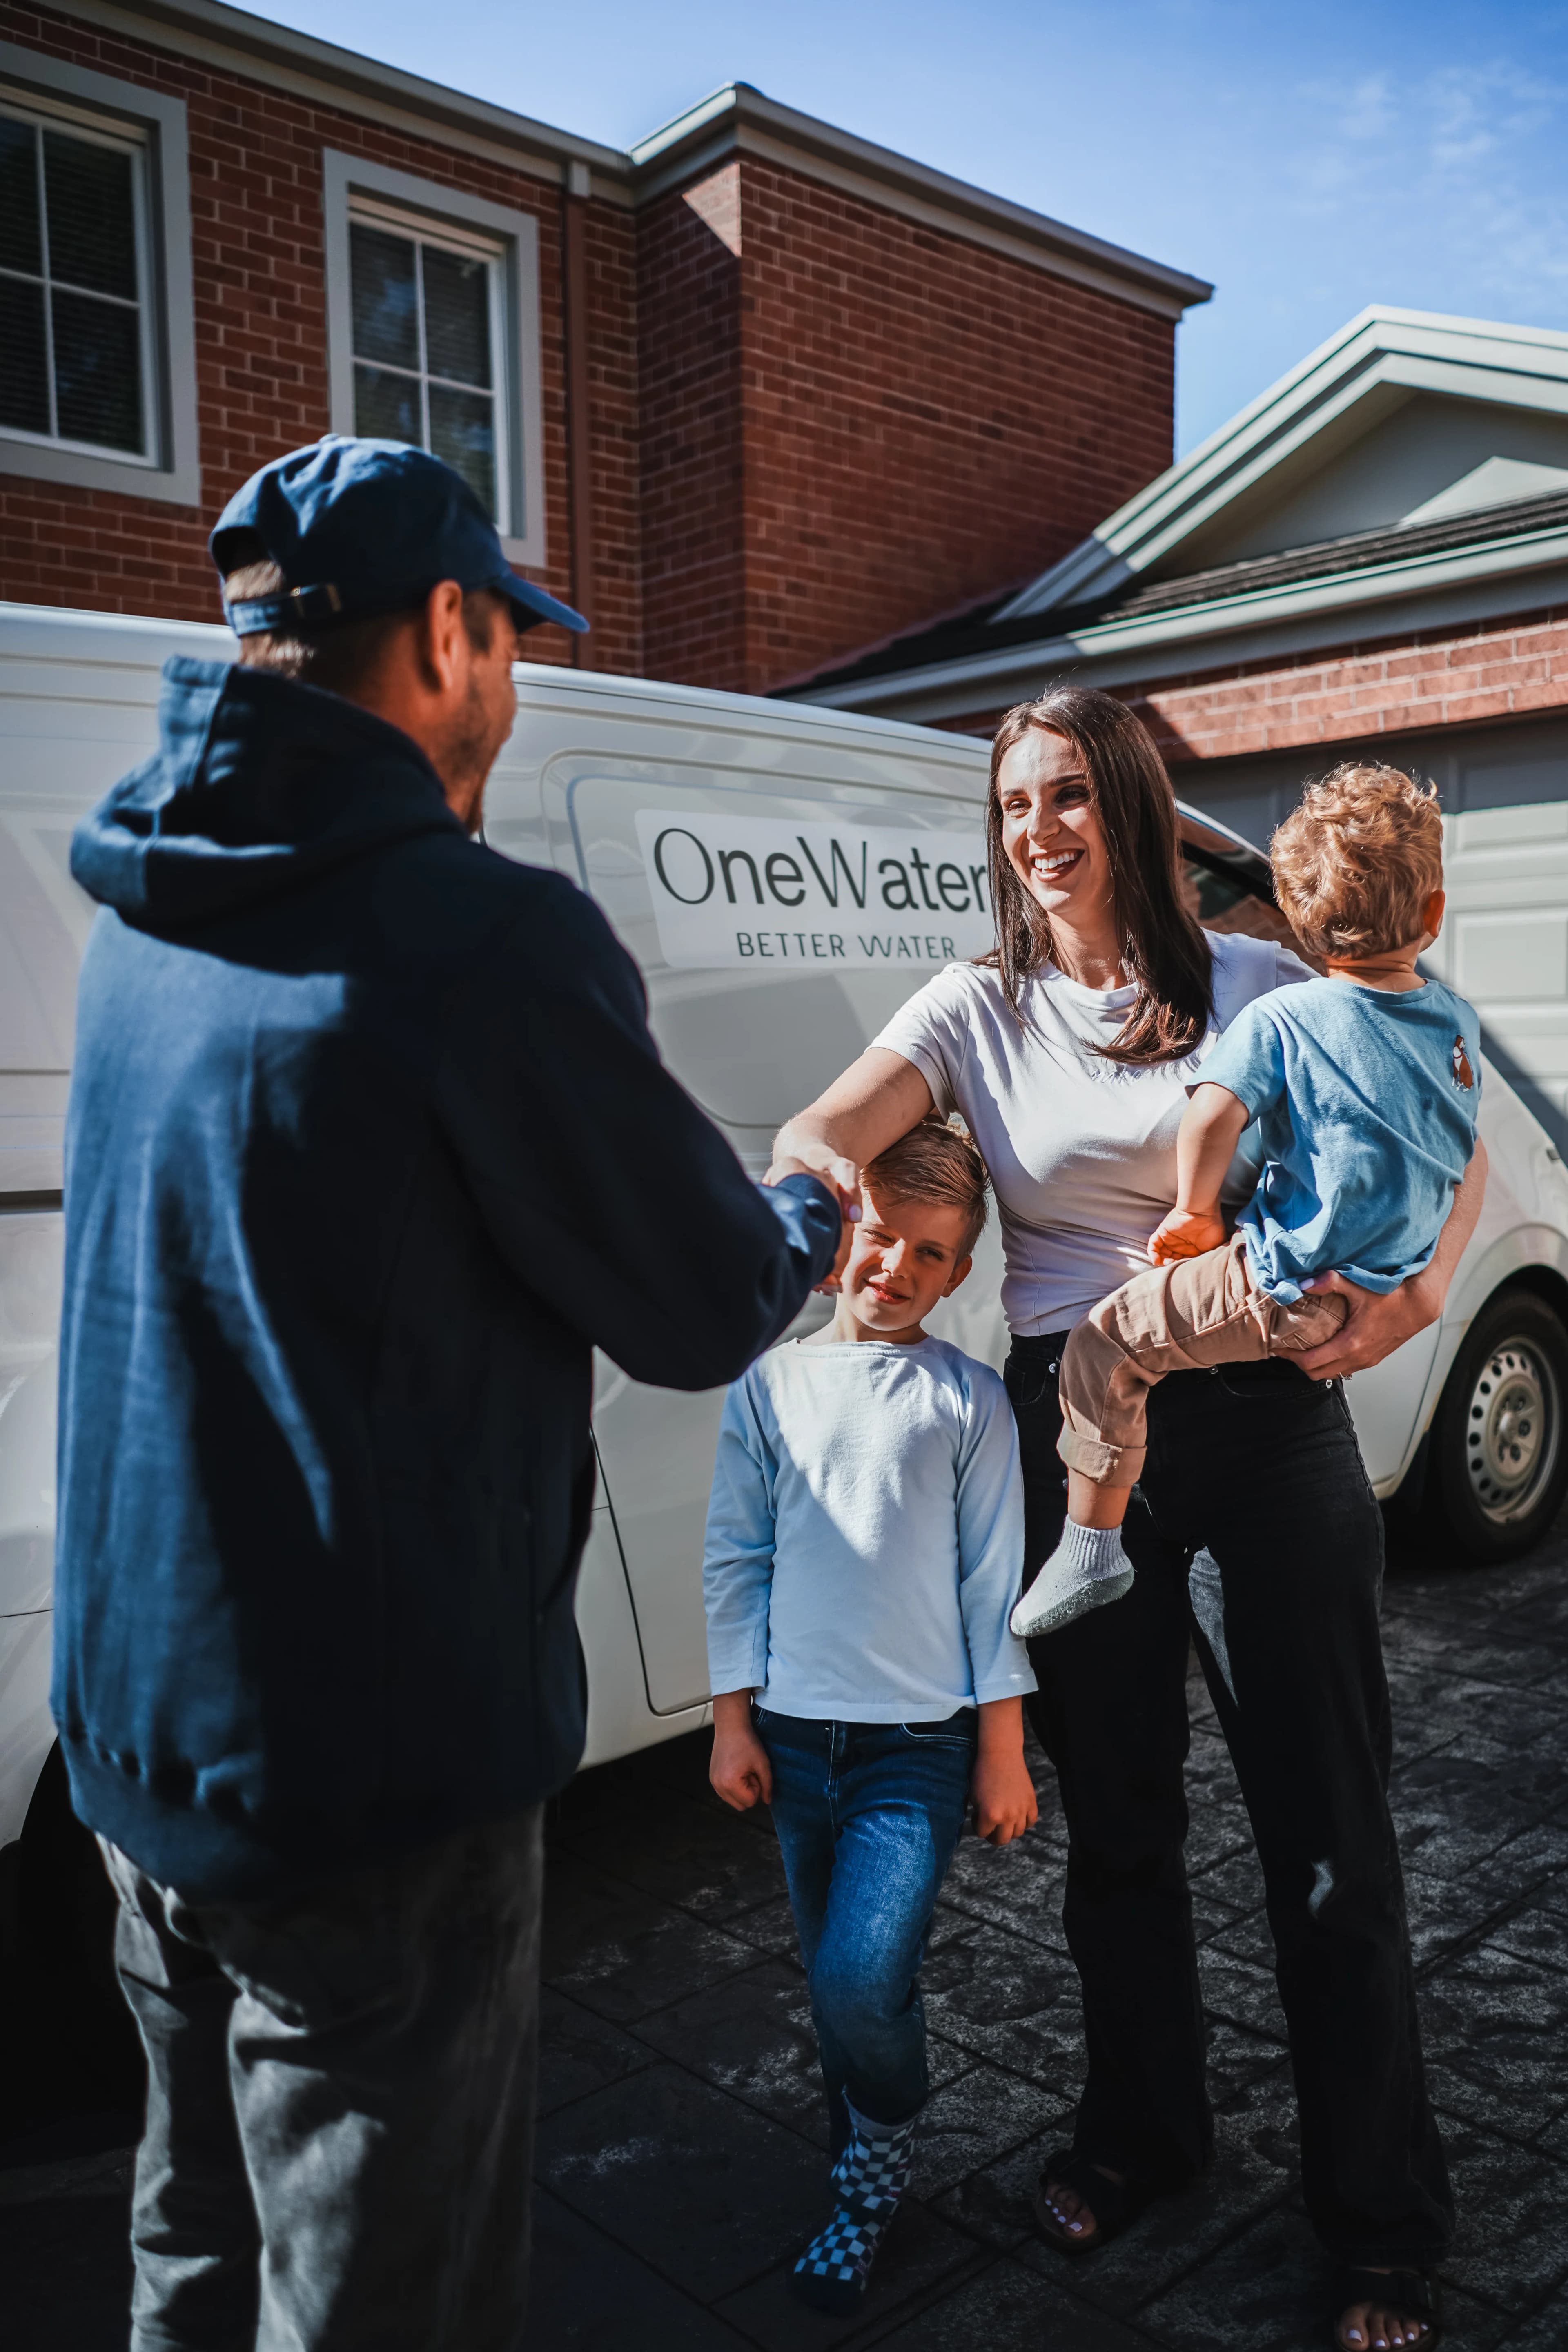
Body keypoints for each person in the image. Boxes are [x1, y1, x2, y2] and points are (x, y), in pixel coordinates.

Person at [53, 437, 844, 2352]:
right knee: (379, 2308)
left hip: (141, 1742)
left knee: (193, 2251)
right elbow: (699, 1297)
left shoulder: (141, 903)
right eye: (507, 643)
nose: (514, 689)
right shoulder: (473, 937)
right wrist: (812, 1188)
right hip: (369, 1783)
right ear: (446, 630)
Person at [771, 689, 1486, 2352]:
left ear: (1140, 809)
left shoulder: (1254, 977)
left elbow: (1441, 1114)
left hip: (1261, 1439)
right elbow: (827, 1124)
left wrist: (1419, 1301)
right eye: (1019, 802)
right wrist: (810, 1188)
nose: (1044, 829)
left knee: (1331, 1846)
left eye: (1077, 795)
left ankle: (1379, 2220)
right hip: (1073, 1442)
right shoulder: (974, 1006)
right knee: (1123, 1837)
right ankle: (1144, 2137)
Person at [1015, 766, 1481, 1646]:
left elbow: (1212, 1112)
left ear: (1299, 924)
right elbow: (1458, 1137)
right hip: (1373, 1292)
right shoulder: (1458, 1025)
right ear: (1432, 914)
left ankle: (1092, 1543)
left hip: (1280, 1285)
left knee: (1107, 1345)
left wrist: (1195, 1214)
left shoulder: (1288, 1013)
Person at [703, 1118, 1038, 2315]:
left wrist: (1002, 1747)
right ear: (845, 1232)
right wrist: (731, 1720)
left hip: (917, 1752)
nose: (896, 1271)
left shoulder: (969, 1399)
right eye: (882, 1238)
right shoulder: (771, 1383)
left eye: (930, 1255)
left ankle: (883, 2149)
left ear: (959, 1273)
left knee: (857, 1981)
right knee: (832, 1978)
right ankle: (859, 2183)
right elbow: (735, 1559)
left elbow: (989, 1584)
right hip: (795, 1742)